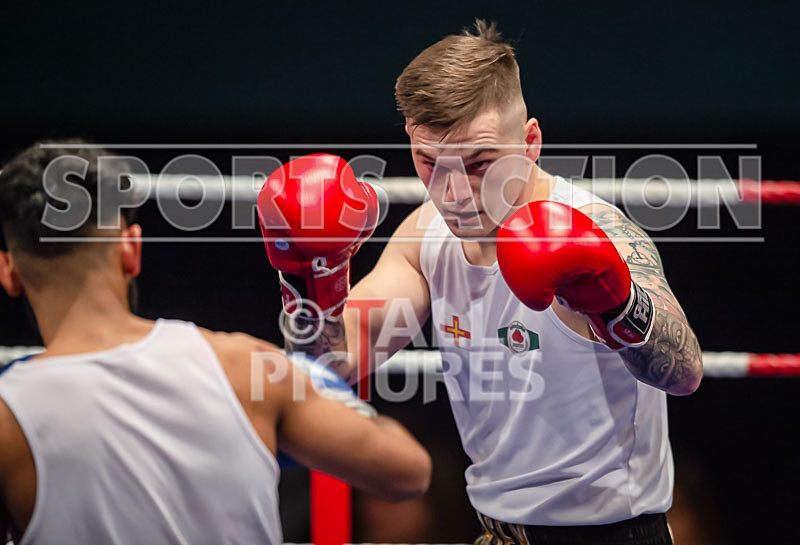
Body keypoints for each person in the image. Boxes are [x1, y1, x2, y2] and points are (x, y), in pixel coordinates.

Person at [257, 20, 702, 545]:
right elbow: (333, 360)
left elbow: (685, 371)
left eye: (480, 163)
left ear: (530, 141)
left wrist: (615, 301)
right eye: (429, 163)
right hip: (495, 532)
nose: (453, 192)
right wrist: (310, 282)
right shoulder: (425, 234)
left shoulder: (598, 229)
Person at [0, 142, 432, 544]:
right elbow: (407, 472)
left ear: (9, 273)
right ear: (131, 250)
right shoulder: (242, 368)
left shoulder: (8, 415)